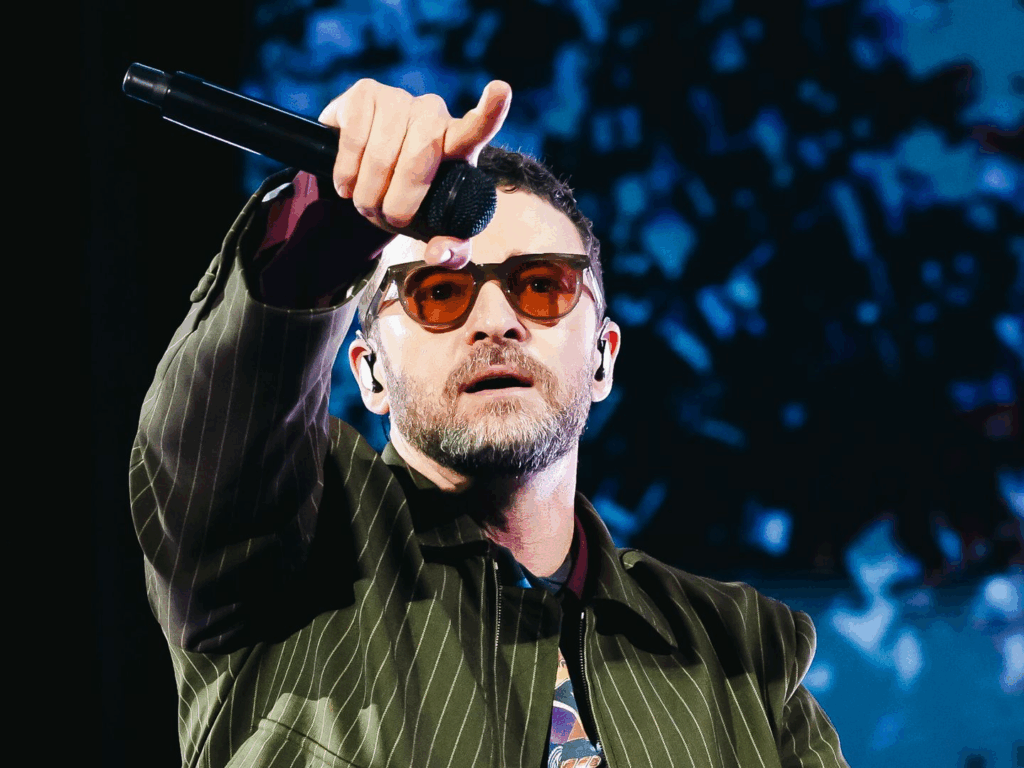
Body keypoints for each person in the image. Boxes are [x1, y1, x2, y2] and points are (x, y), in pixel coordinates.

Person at [130, 78, 848, 768]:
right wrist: (326, 230)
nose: (496, 321)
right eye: (440, 292)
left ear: (603, 358)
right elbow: (213, 441)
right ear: (371, 374)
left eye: (541, 286)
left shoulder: (744, 651)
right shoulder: (280, 548)